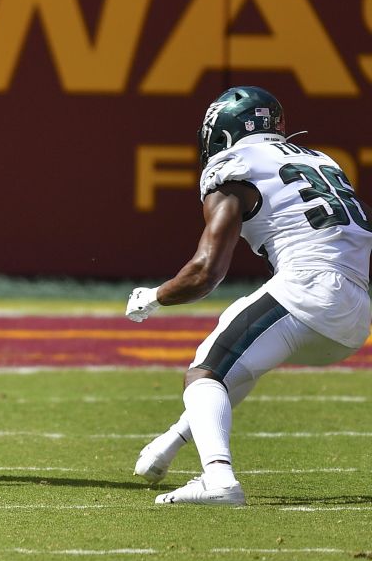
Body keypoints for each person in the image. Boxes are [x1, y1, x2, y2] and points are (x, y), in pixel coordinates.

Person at [126, 86, 372, 506]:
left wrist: (155, 297)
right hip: (355, 313)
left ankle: (219, 480)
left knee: (204, 373)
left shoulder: (235, 165)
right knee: (231, 369)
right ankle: (168, 445)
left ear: (222, 132)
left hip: (308, 288)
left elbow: (206, 272)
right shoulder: (321, 160)